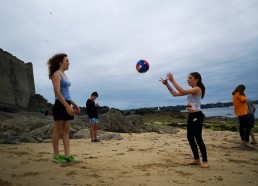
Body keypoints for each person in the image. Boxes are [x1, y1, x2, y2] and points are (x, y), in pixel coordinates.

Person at [159, 72, 209, 168]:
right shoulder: (191, 91)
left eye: (190, 78)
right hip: (191, 116)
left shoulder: (197, 89)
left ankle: (205, 161)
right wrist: (167, 85)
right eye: (188, 78)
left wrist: (172, 80)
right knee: (190, 138)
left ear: (196, 80)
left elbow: (182, 90)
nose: (188, 79)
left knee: (198, 138)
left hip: (197, 116)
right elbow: (174, 94)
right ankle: (196, 159)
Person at [47, 53, 80, 163]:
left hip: (66, 103)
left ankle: (67, 155)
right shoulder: (56, 74)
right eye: (66, 61)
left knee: (66, 131)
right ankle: (56, 155)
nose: (68, 62)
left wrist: (73, 104)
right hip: (60, 105)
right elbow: (57, 92)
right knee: (57, 130)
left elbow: (66, 94)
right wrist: (67, 106)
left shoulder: (64, 75)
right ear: (60, 62)